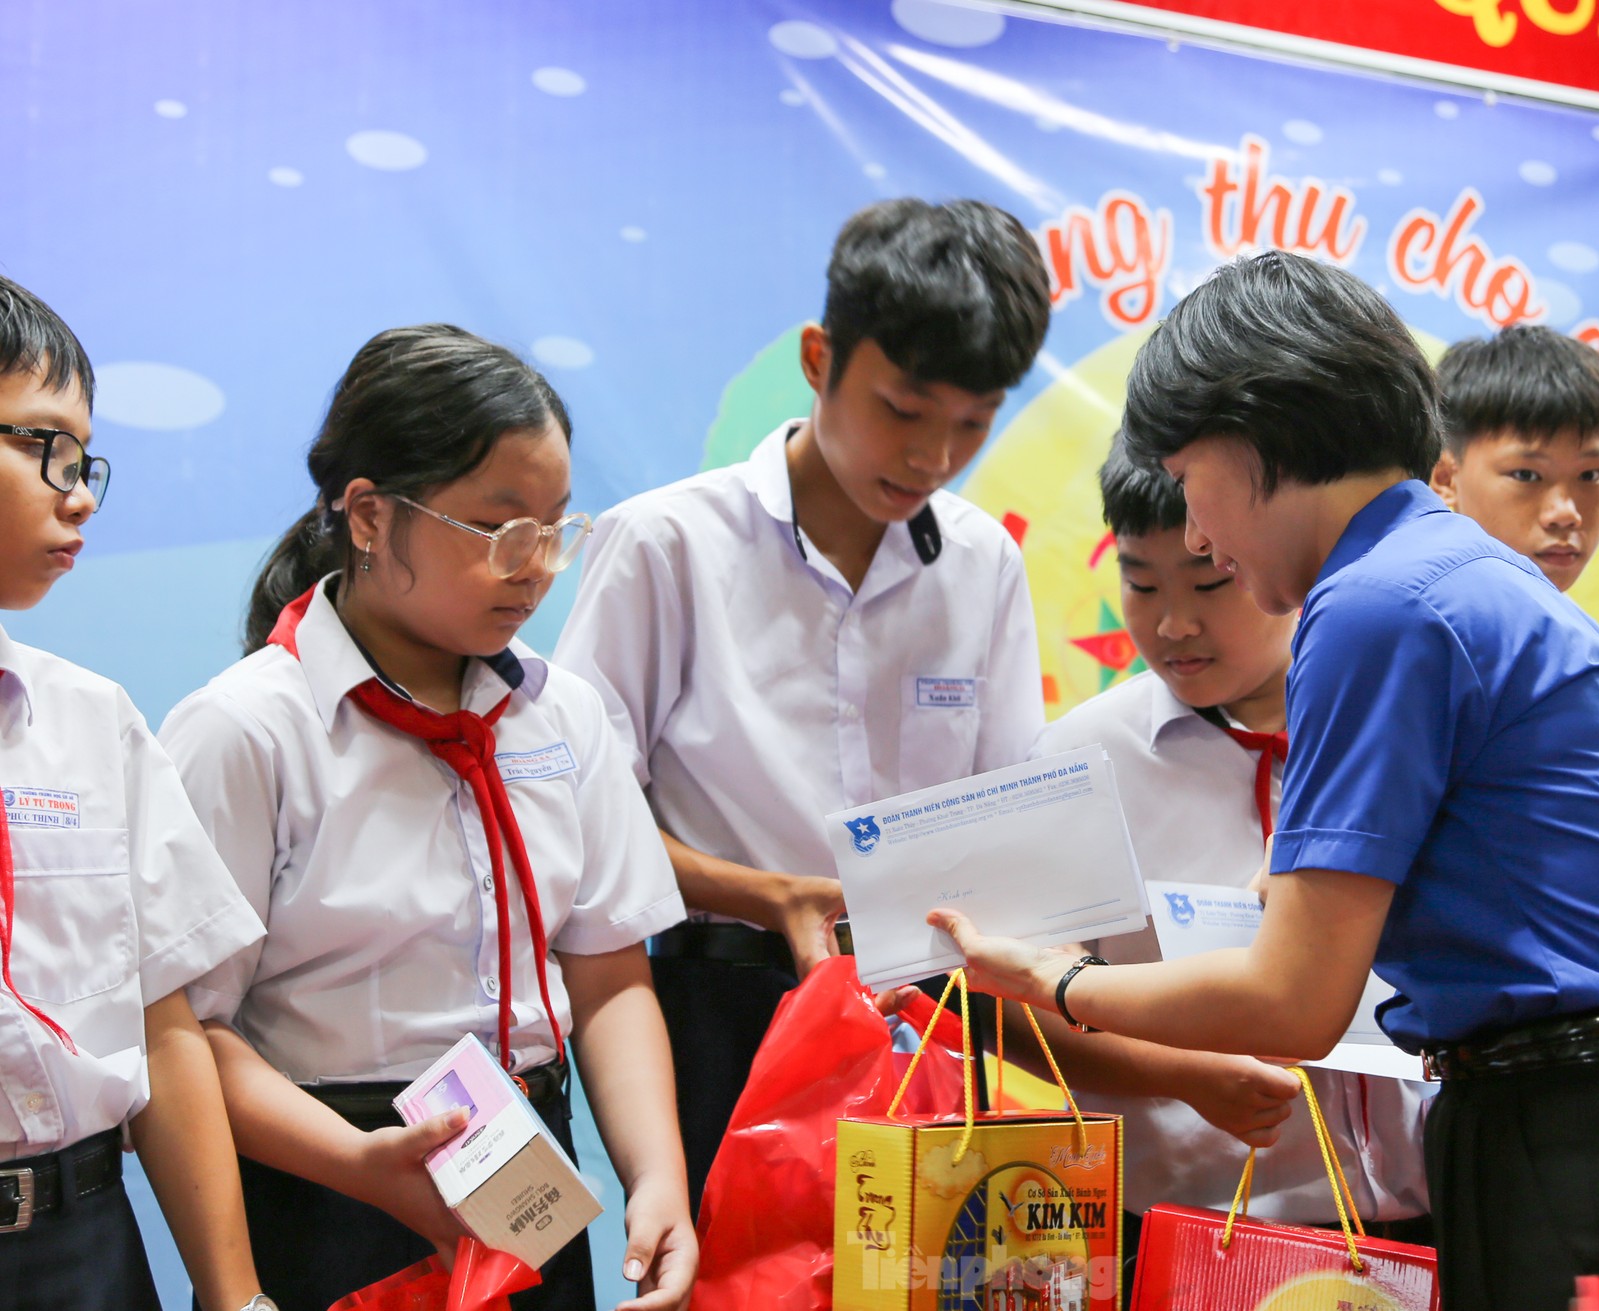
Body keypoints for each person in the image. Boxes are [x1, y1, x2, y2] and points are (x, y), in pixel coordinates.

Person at [928, 251, 1599, 1311]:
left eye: (1193, 487)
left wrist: (1053, 979)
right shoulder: (1464, 576)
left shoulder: (1371, 604)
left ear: (1255, 437)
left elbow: (1291, 1001)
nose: (1199, 535)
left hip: (1580, 1137)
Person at [159, 326, 695, 1311]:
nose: (534, 567)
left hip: (526, 1171)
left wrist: (658, 1178)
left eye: (554, 527)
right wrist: (364, 1164)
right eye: (498, 529)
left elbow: (610, 973)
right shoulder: (246, 730)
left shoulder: (563, 713)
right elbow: (187, 1034)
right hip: (330, 1183)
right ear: (368, 514)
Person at [554, 198, 1050, 1209]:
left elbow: (1008, 811)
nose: (931, 457)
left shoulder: (983, 559)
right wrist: (766, 897)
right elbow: (575, 821)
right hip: (723, 1001)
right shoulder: (667, 544)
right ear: (820, 359)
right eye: (902, 410)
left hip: (929, 1007)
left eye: (972, 422)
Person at [1018, 445, 1430, 1299]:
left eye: (1209, 584)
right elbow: (1020, 1002)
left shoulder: (1392, 721)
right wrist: (1181, 1073)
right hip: (1188, 1224)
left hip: (1423, 1212)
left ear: (1267, 557)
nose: (1173, 624)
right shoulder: (1081, 760)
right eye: (1141, 584)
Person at [0, 276, 272, 1311]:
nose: (82, 496)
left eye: (87, 460)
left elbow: (164, 1027)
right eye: (47, 453)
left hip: (84, 1245)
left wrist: (233, 1295)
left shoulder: (91, 720)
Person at [1428, 324, 1599, 591]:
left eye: (1590, 474)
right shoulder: (1415, 622)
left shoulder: (1567, 628)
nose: (1565, 514)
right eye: (1526, 475)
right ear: (1446, 478)